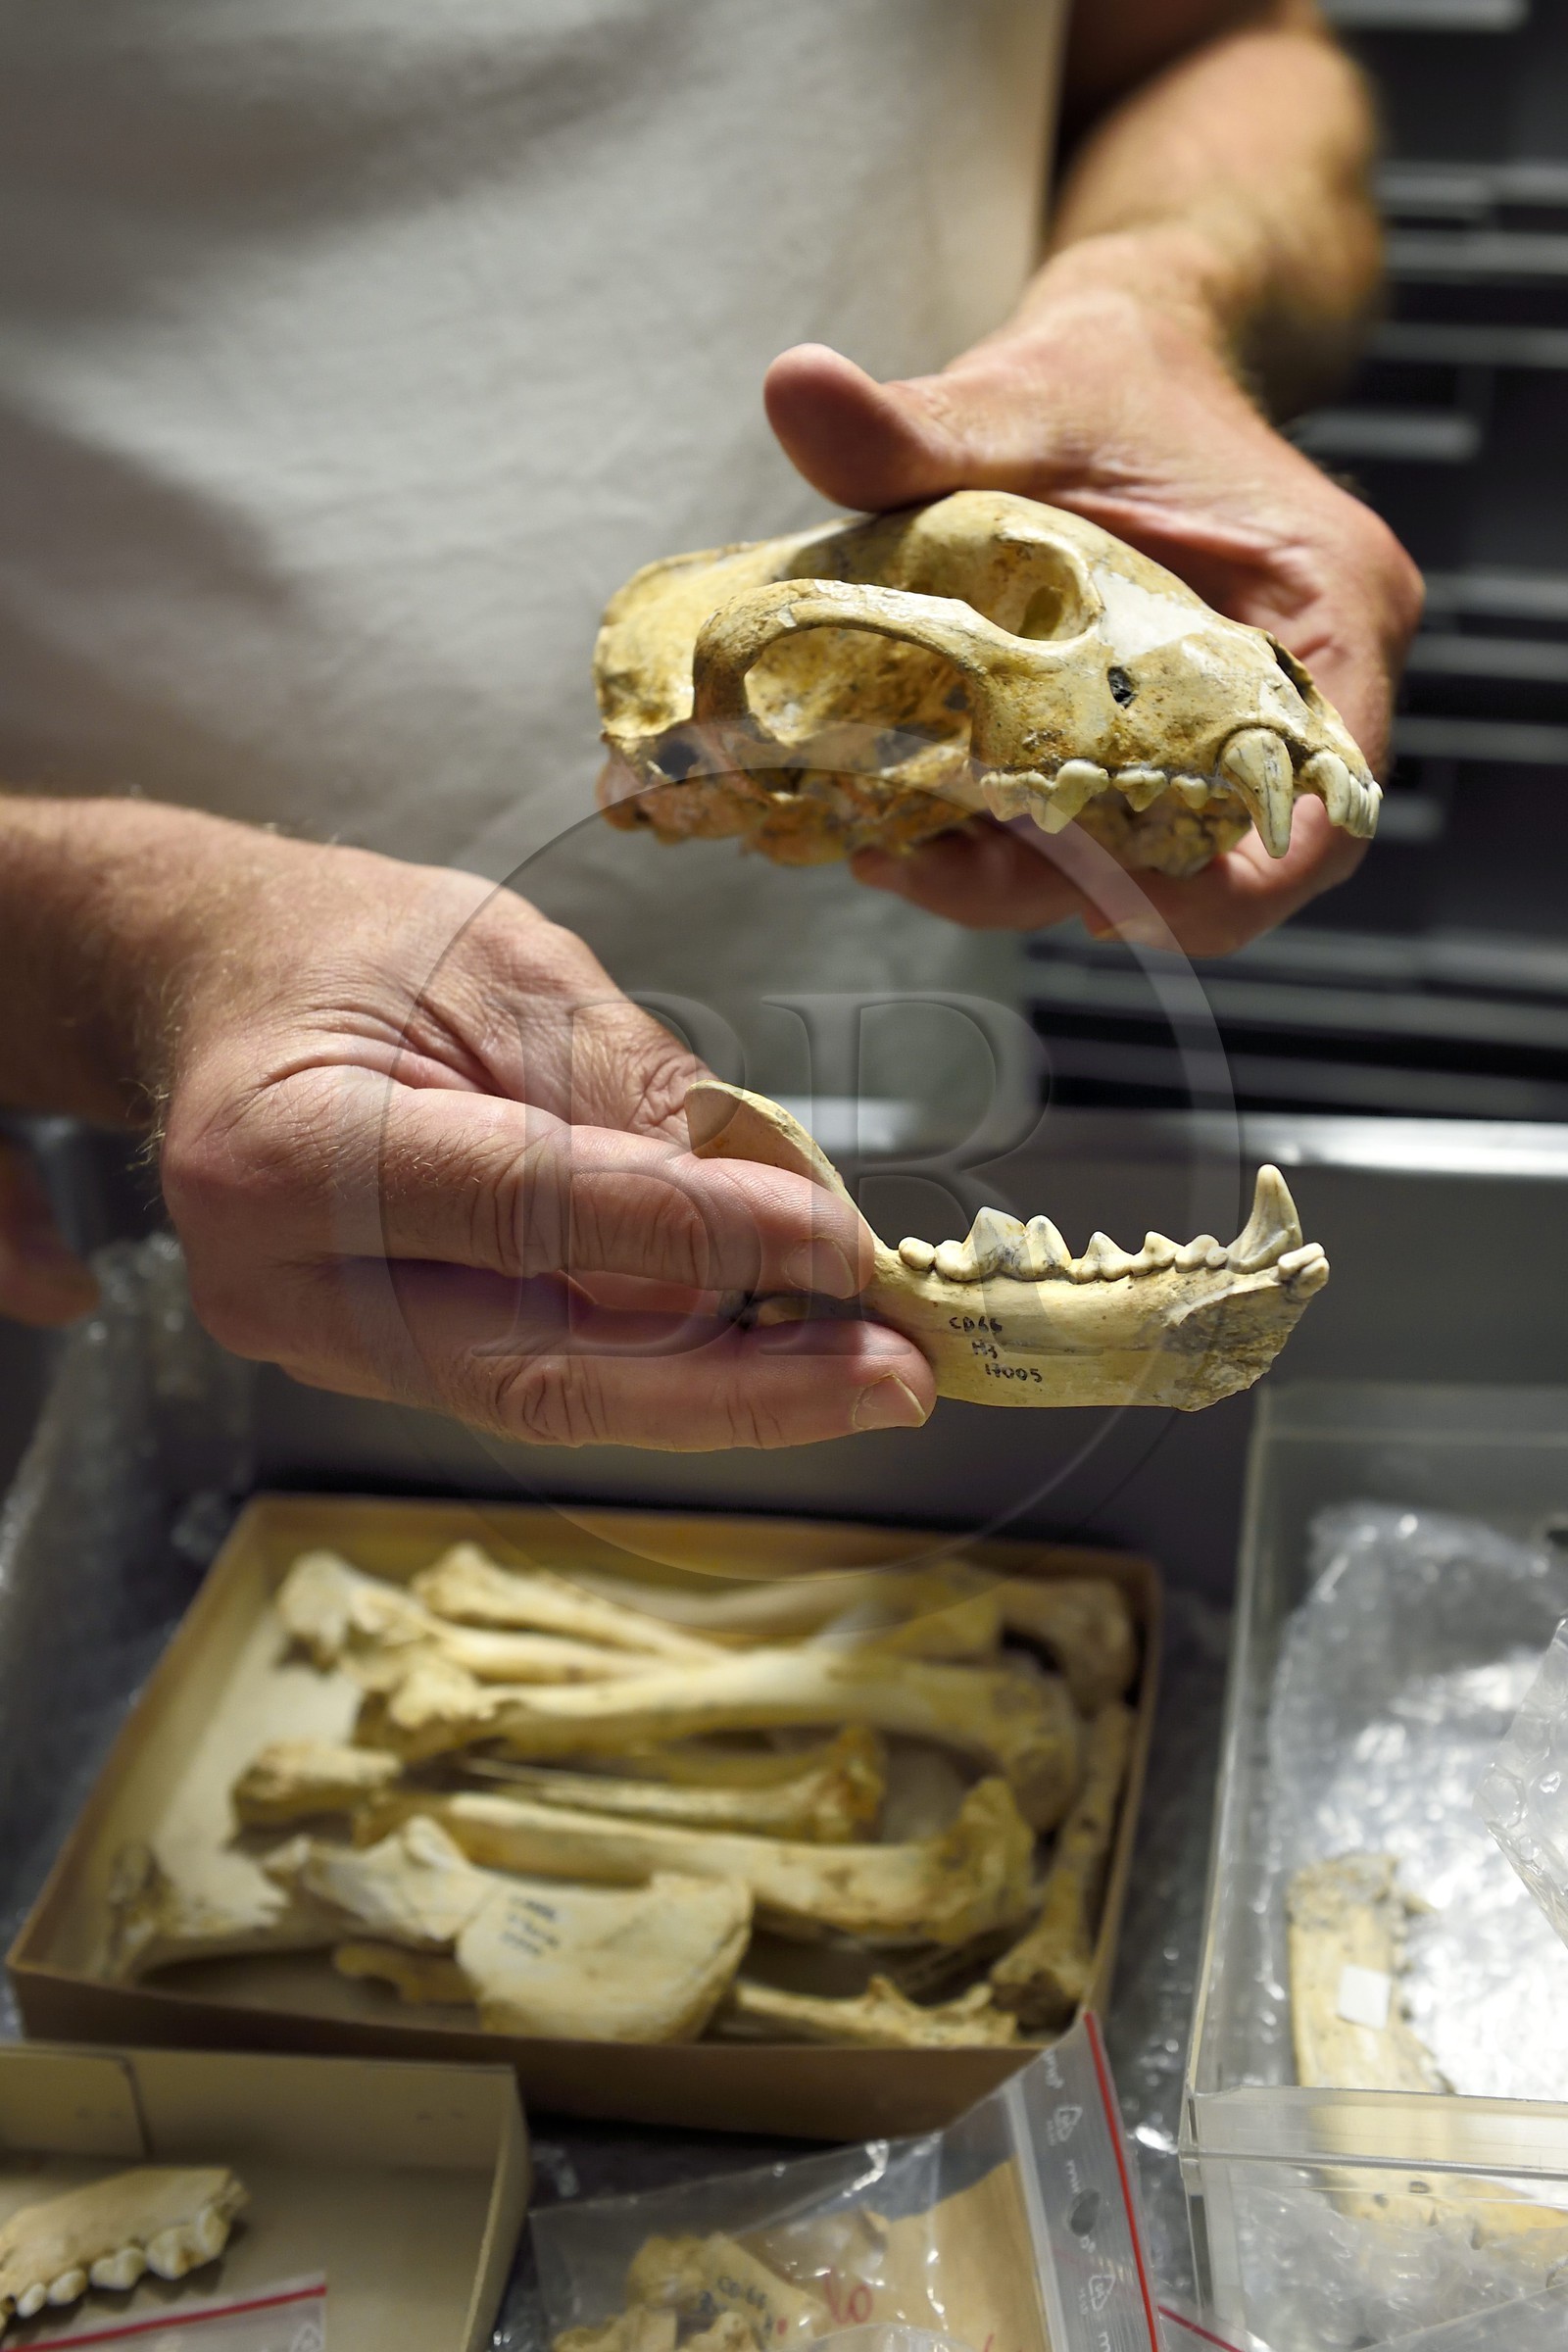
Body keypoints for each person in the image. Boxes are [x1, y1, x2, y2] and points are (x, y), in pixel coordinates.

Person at [0, 0, 1420, 1451]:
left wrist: (1160, 297)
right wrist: (103, 945)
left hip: (920, 1081)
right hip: (115, 1171)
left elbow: (1230, 48)